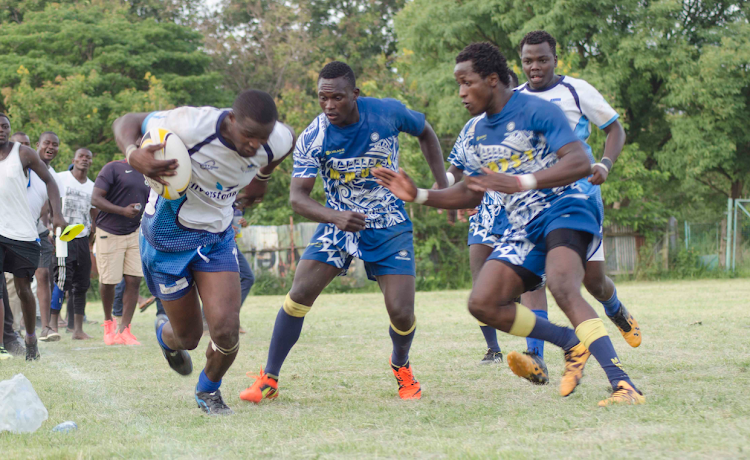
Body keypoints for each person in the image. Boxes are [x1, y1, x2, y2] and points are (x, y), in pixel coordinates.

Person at [373, 43, 644, 406]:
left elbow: (579, 161)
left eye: (467, 83)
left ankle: (623, 384)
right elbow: (470, 192)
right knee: (482, 303)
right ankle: (569, 342)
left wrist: (520, 182)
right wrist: (418, 194)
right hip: (523, 225)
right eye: (458, 84)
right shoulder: (476, 133)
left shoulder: (538, 109)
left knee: (565, 285)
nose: (461, 93)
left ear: (492, 79)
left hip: (567, 206)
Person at [240, 61, 448, 404]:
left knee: (401, 311)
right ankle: (269, 378)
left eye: (337, 97)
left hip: (387, 221)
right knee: (299, 293)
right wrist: (335, 216)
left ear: (355, 94)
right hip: (338, 222)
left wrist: (440, 184)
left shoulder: (387, 112)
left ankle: (401, 365)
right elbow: (297, 197)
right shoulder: (314, 136)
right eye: (322, 98)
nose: (329, 105)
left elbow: (425, 130)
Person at [114, 89, 294, 415]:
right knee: (189, 338)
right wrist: (132, 153)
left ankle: (208, 390)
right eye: (249, 135)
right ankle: (164, 336)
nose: (256, 145)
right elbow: (128, 121)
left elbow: (286, 141)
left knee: (225, 330)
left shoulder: (274, 139)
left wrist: (262, 178)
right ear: (232, 120)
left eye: (262, 138)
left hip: (216, 238)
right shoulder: (191, 124)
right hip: (166, 241)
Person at [504, 30, 640, 383]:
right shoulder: (513, 98)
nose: (535, 67)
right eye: (528, 61)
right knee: (532, 280)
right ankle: (536, 358)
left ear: (555, 59)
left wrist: (606, 164)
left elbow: (615, 130)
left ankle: (615, 309)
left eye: (542, 59)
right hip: (533, 205)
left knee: (593, 282)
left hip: (578, 199)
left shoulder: (576, 90)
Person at [442, 69, 523, 365]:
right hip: (485, 216)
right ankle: (494, 349)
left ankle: (534, 350)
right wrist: (443, 185)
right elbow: (456, 169)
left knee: (524, 287)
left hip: (523, 216)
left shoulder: (530, 124)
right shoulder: (473, 126)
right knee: (480, 286)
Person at [0, 114, 66, 360]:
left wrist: (56, 215)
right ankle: (3, 344)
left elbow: (50, 181)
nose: (1, 130)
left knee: (23, 289)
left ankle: (30, 338)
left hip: (23, 233)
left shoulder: (23, 153)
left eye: (5, 126)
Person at [91, 158, 150, 346]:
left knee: (134, 280)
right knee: (109, 282)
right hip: (109, 231)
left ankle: (125, 330)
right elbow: (95, 199)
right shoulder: (113, 167)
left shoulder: (149, 171)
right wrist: (122, 211)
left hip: (135, 232)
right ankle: (109, 323)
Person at [49, 148, 96, 340]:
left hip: (82, 238)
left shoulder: (92, 186)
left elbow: (94, 214)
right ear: (74, 159)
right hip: (63, 236)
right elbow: (50, 202)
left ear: (91, 162)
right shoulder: (61, 178)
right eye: (81, 157)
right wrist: (50, 226)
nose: (84, 160)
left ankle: (77, 329)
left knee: (82, 283)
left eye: (88, 157)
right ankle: (52, 325)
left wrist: (93, 233)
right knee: (61, 280)